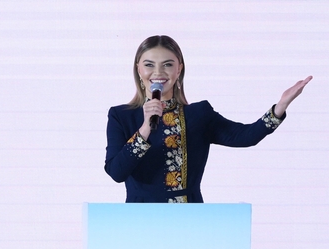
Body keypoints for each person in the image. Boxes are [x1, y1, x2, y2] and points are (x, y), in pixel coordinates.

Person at [105, 35, 312, 203]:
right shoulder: (121, 116)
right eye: (149, 64)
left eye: (167, 64)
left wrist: (280, 107)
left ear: (179, 69)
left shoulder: (199, 114)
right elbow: (116, 172)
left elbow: (245, 136)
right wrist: (144, 128)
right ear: (138, 69)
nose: (158, 72)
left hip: (192, 222)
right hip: (139, 223)